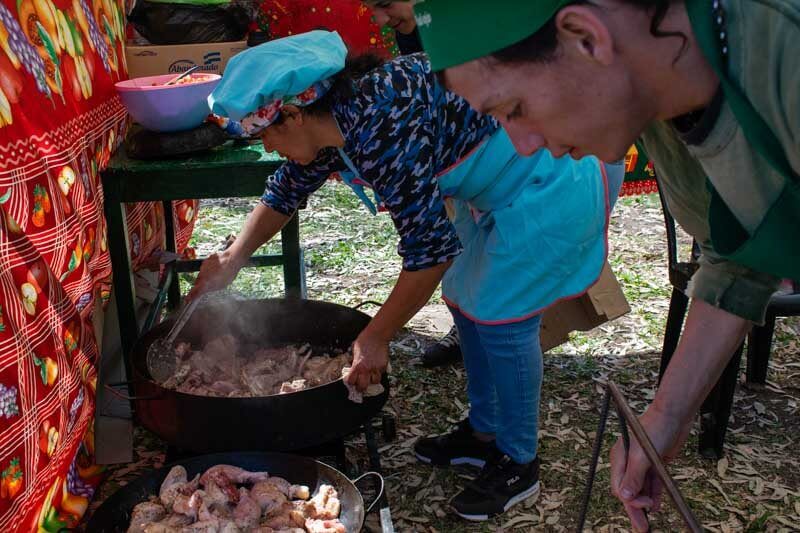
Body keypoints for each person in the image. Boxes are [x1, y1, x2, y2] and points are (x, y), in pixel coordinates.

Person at [193, 30, 622, 520]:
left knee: (503, 318)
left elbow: (430, 253)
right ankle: (483, 433)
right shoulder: (334, 118)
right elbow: (286, 190)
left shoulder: (379, 129)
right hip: (498, 187)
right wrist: (232, 259)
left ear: (292, 114)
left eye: (264, 134)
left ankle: (519, 460)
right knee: (467, 301)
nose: (267, 147)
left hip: (549, 172)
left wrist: (376, 337)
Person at [411, 0, 799, 530]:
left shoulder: (785, 53)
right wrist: (662, 419)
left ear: (586, 38)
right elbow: (735, 257)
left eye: (514, 109)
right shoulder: (661, 105)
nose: (522, 148)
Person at [362, 0, 462, 367]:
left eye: (384, 4)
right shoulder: (417, 23)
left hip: (513, 165)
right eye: (371, 8)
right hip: (462, 165)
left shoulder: (471, 19)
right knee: (469, 269)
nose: (379, 20)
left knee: (498, 305)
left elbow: (430, 251)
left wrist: (375, 336)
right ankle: (465, 328)